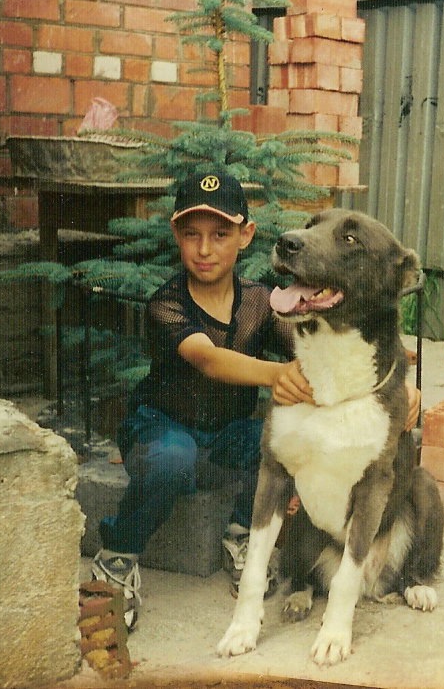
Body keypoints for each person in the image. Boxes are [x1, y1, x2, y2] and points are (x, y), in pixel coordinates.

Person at [91, 173, 418, 630]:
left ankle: (241, 534)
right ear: (176, 235)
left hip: (228, 432)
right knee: (172, 458)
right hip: (162, 427)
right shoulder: (166, 302)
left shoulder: (264, 300)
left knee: (270, 447)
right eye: (192, 235)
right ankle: (119, 553)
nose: (205, 249)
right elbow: (207, 357)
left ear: (245, 235)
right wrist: (276, 375)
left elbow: (324, 348)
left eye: (220, 235)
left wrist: (394, 384)